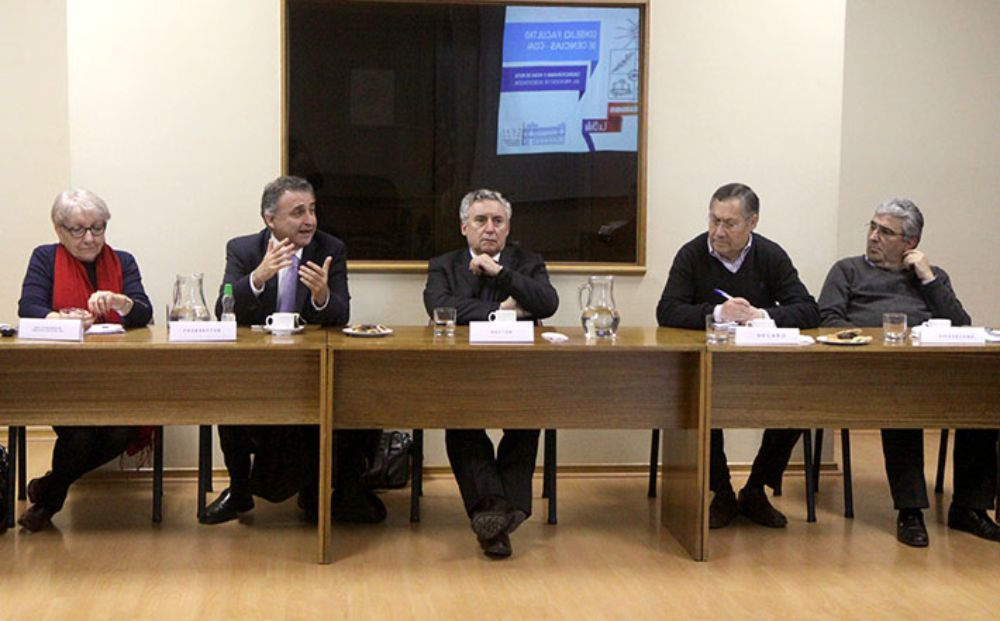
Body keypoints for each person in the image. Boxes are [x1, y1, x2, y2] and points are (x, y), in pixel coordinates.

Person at [200, 175, 384, 525]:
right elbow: (223, 310)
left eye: (312, 210)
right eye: (298, 212)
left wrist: (321, 296)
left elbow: (341, 313)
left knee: (355, 399)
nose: (310, 220)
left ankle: (325, 491)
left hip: (309, 369)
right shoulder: (243, 250)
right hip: (257, 371)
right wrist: (257, 278)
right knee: (228, 396)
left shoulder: (330, 249)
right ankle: (240, 492)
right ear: (271, 219)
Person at [818, 197, 999, 547]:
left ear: (910, 243)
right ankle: (911, 511)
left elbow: (961, 325)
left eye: (885, 232)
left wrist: (928, 277)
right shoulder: (847, 270)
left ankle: (970, 508)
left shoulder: (931, 277)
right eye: (872, 227)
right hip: (870, 373)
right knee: (902, 401)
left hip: (930, 372)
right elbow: (828, 320)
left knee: (982, 402)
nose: (873, 237)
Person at [657, 182, 819, 529]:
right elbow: (667, 310)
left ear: (752, 223)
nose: (718, 231)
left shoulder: (771, 255)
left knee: (799, 405)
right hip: (708, 366)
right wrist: (719, 313)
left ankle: (756, 489)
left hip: (763, 370)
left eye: (729, 223)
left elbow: (808, 310)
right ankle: (722, 493)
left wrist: (760, 315)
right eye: (713, 220)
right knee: (699, 402)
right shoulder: (692, 254)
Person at [423, 188, 558, 558]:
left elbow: (548, 302)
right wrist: (504, 307)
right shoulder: (443, 265)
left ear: (508, 227)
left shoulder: (527, 262)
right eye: (481, 220)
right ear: (464, 226)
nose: (489, 228)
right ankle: (499, 510)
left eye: (498, 221)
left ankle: (491, 515)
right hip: (462, 372)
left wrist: (500, 272)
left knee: (527, 420)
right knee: (460, 422)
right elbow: (440, 308)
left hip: (519, 371)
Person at [17, 189, 154, 531]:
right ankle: (49, 504)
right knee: (77, 435)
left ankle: (49, 485)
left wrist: (122, 303)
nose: (90, 238)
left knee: (122, 431)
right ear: (60, 231)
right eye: (78, 230)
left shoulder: (123, 261)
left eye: (97, 228)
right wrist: (62, 321)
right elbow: (28, 307)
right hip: (62, 376)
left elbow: (144, 312)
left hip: (117, 376)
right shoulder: (45, 258)